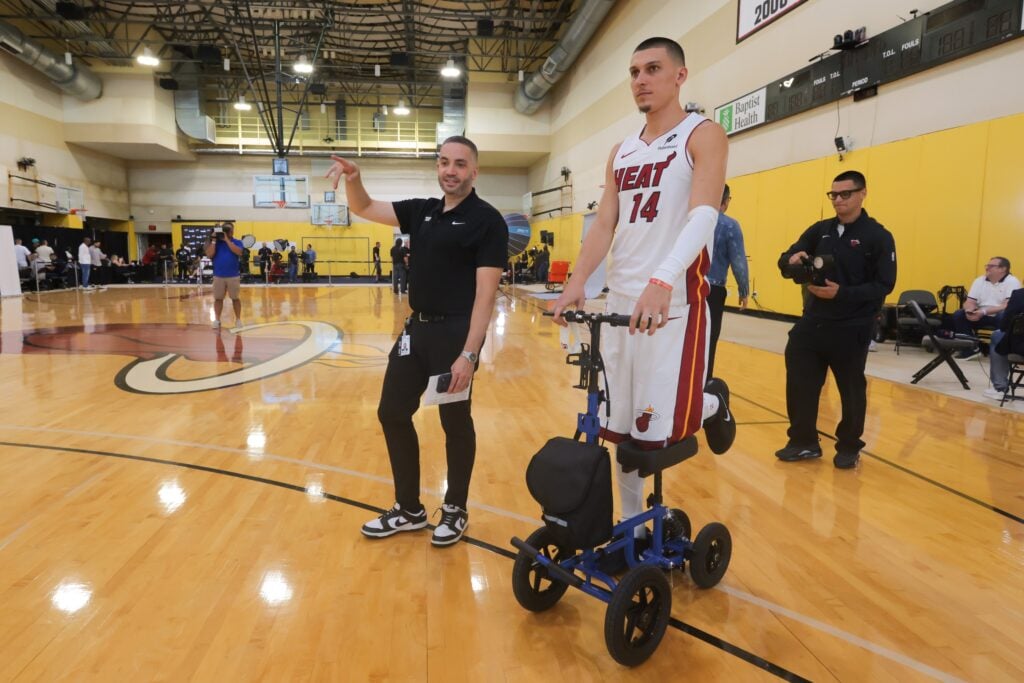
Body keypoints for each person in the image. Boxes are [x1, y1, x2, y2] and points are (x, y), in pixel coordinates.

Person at [551, 37, 736, 545]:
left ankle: (712, 402)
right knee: (620, 427)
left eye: (653, 69)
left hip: (673, 303)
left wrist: (663, 278)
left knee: (656, 429)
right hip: (621, 303)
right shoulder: (622, 151)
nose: (641, 80)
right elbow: (604, 224)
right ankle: (631, 530)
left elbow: (704, 215)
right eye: (634, 72)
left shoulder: (703, 134)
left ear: (680, 75)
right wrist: (576, 283)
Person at [326, 135, 508, 547]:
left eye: (459, 164)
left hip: (456, 335)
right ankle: (408, 509)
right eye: (444, 162)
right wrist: (354, 179)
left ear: (474, 171)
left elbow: (485, 296)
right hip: (416, 331)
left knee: (454, 422)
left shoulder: (487, 221)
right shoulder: (423, 211)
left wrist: (469, 354)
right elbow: (364, 207)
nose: (450, 170)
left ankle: (456, 508)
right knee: (391, 412)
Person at [775, 170, 897, 469]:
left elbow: (884, 285)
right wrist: (791, 261)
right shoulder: (820, 231)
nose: (838, 200)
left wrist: (842, 293)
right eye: (834, 195)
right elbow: (785, 259)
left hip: (852, 326)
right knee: (800, 383)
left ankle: (849, 446)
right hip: (813, 322)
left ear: (862, 194)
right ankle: (803, 441)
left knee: (851, 389)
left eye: (845, 194)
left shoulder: (878, 236)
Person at [706, 184, 749, 379]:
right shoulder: (730, 225)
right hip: (713, 290)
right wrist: (743, 290)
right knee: (709, 339)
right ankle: (704, 382)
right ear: (726, 201)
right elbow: (738, 262)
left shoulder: (690, 220)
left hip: (688, 287)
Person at [950, 257, 1020, 359]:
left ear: (1003, 269)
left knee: (1003, 315)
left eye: (991, 266)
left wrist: (983, 312)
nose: (987, 268)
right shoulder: (979, 280)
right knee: (959, 314)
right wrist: (969, 310)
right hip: (980, 314)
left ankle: (999, 352)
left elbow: (1006, 305)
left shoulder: (1012, 281)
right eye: (987, 265)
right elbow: (970, 301)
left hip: (998, 315)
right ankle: (971, 349)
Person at [984, 287, 1024, 400]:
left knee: (997, 336)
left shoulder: (1020, 294)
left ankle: (1000, 387)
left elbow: (1005, 324)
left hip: (1021, 346)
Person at [204, 222, 245, 329]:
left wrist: (226, 240)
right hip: (218, 276)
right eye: (226, 230)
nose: (229, 232)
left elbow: (239, 252)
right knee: (218, 299)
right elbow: (209, 254)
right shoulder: (216, 243)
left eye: (230, 230)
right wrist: (213, 240)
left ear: (232, 231)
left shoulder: (237, 242)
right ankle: (217, 320)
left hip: (233, 275)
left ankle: (238, 320)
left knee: (235, 298)